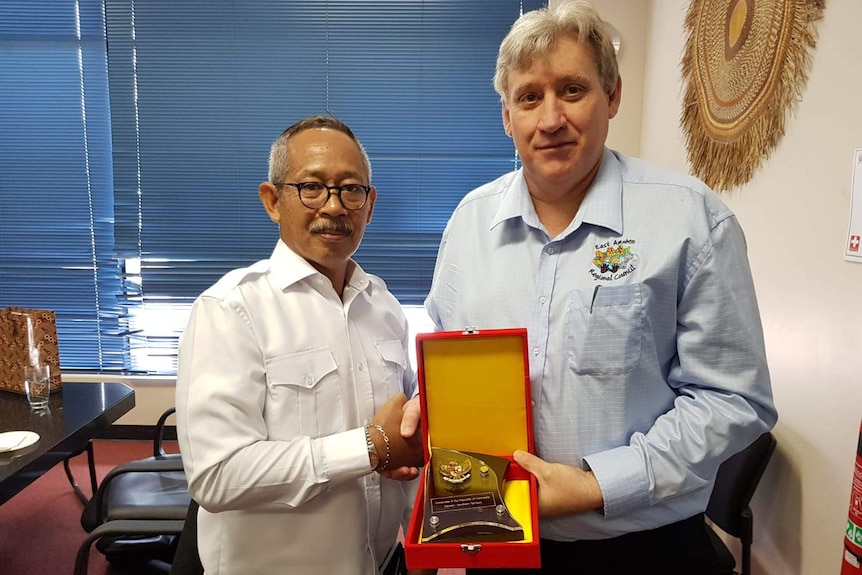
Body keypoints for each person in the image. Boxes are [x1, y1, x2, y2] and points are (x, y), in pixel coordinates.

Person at [395, 2, 778, 573]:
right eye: (529, 97)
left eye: (572, 90)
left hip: (645, 548)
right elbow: (452, 356)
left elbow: (733, 398)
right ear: (507, 116)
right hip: (496, 535)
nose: (550, 119)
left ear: (613, 96)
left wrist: (599, 485)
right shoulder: (468, 224)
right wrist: (431, 409)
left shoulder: (691, 220)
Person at [175, 115, 425, 575]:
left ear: (370, 206)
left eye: (352, 189)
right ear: (272, 201)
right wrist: (370, 447)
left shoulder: (384, 306)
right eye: (312, 187)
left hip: (383, 561)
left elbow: (402, 427)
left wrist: (407, 450)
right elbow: (216, 474)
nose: (334, 206)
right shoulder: (232, 309)